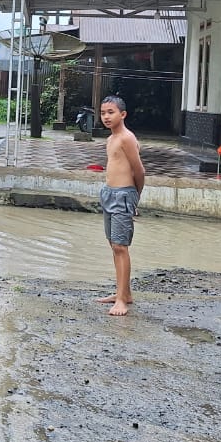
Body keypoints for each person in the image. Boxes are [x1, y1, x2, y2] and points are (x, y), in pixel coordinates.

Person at [95, 95, 144, 317]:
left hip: (124, 195)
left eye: (110, 112)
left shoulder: (127, 138)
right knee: (113, 245)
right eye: (103, 112)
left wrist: (135, 197)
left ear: (122, 114)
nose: (106, 116)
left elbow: (139, 171)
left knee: (120, 247)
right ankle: (123, 292)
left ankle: (122, 300)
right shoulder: (111, 139)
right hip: (109, 194)